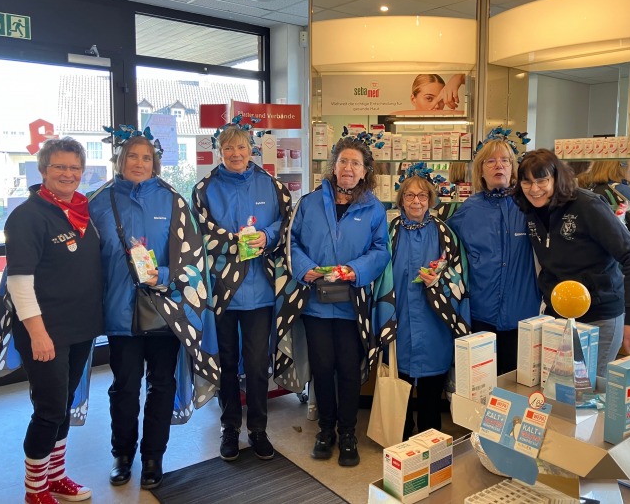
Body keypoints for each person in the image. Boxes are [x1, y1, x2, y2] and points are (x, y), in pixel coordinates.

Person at [90, 131, 220, 490]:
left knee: (162, 385)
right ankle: (122, 454)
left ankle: (153, 457)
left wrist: (159, 275)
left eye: (146, 157)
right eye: (132, 156)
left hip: (166, 311)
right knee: (124, 387)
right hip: (119, 314)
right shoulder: (98, 203)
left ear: (155, 163)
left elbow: (193, 260)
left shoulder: (173, 200)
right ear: (120, 160)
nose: (139, 163)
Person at [0, 138, 103, 504]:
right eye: (59, 166)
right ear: (43, 170)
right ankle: (35, 489)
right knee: (49, 410)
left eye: (74, 167)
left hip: (80, 327)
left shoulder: (81, 211)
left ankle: (56, 477)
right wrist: (37, 334)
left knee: (64, 405)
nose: (68, 174)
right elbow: (19, 281)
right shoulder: (28, 216)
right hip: (45, 331)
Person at [279, 136, 391, 467]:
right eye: (343, 161)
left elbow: (381, 250)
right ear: (333, 165)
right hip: (315, 303)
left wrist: (355, 270)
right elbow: (291, 241)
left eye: (356, 163)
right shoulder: (309, 202)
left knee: (349, 371)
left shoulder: (374, 208)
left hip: (352, 306)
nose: (348, 168)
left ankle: (348, 434)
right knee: (323, 368)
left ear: (365, 170)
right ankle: (325, 431)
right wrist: (305, 268)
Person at [191, 124, 291, 462]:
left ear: (252, 148)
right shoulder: (204, 189)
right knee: (227, 363)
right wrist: (234, 242)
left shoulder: (271, 185)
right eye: (229, 148)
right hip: (221, 291)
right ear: (219, 152)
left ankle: (259, 430)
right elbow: (198, 231)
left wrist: (266, 236)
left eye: (242, 147)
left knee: (258, 364)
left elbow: (286, 222)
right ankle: (230, 427)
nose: (236, 154)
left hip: (260, 291)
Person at [513, 149, 630, 376]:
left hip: (600, 317)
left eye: (542, 181)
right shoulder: (529, 210)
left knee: (589, 390)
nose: (534, 189)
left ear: (556, 178)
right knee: (562, 388)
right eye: (527, 182)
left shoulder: (587, 205)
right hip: (558, 317)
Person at [447, 137, 541, 374]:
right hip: (481, 313)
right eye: (490, 161)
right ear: (481, 170)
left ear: (513, 169)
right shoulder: (469, 209)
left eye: (505, 160)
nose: (499, 165)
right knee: (481, 381)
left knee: (516, 382)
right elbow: (444, 245)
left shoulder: (528, 206)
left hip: (522, 314)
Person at [389, 171, 470, 439]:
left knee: (431, 388)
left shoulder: (444, 233)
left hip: (435, 321)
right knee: (398, 385)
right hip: (399, 319)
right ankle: (400, 434)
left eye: (422, 195)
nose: (416, 201)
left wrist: (439, 281)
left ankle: (429, 436)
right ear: (401, 200)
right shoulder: (390, 232)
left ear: (430, 199)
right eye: (410, 195)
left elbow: (459, 274)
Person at [390, 73, 466, 114]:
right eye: (429, 98)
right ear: (413, 99)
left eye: (441, 100)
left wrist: (458, 77)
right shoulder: (398, 117)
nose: (437, 106)